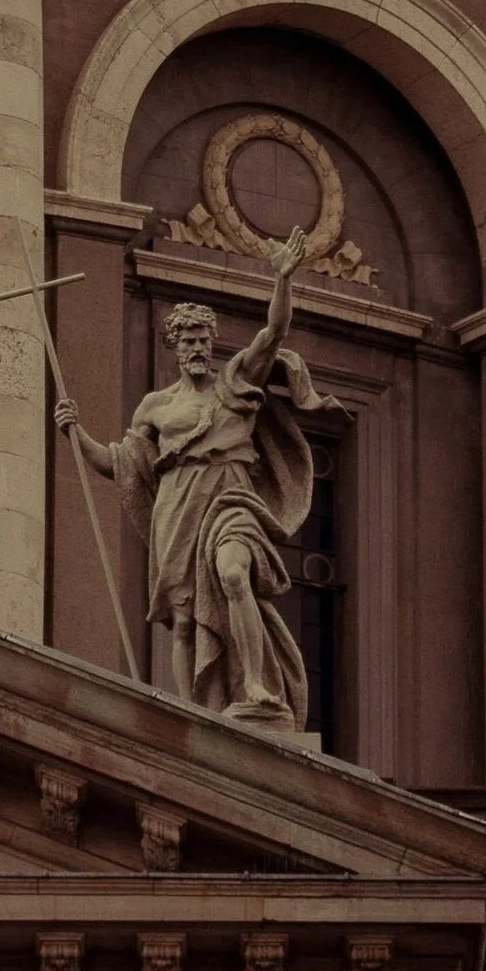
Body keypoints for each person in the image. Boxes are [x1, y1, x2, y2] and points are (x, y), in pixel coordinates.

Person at [58, 230, 329, 731]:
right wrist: (74, 432)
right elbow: (121, 464)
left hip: (230, 497)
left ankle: (256, 686)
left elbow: (274, 332)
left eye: (205, 339)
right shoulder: (155, 407)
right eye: (189, 341)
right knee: (182, 617)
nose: (199, 347)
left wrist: (283, 280)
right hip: (177, 504)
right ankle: (190, 712)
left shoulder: (234, 384)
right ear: (175, 347)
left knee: (233, 574)